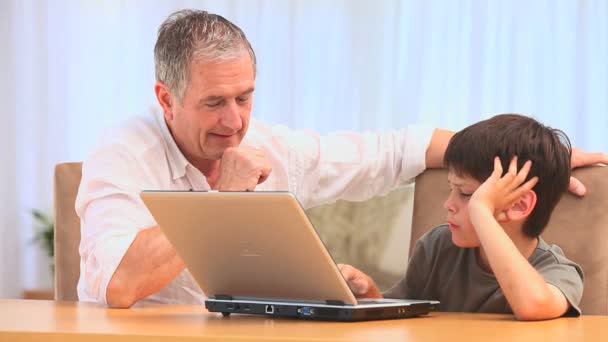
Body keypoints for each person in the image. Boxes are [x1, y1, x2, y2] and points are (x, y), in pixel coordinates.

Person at [75, 9, 607, 308]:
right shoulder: (123, 152)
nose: (235, 122)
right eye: (214, 103)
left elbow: (398, 150)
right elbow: (119, 287)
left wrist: (535, 159)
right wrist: (224, 199)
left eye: (245, 97)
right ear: (166, 98)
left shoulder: (272, 147)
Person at [339, 114, 587, 320]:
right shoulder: (437, 246)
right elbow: (401, 316)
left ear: (519, 205)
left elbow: (533, 306)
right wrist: (369, 295)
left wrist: (481, 212)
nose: (448, 204)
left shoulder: (558, 271)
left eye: (466, 193)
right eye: (452, 189)